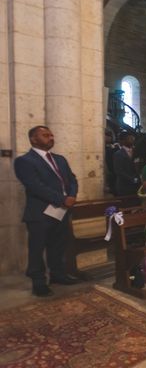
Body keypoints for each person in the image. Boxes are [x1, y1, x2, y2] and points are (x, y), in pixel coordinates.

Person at [14, 126, 80, 296]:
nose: (50, 137)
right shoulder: (25, 161)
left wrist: (72, 195)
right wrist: (62, 199)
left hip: (61, 211)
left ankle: (58, 275)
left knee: (58, 245)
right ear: (33, 139)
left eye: (51, 134)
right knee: (37, 248)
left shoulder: (60, 159)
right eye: (45, 135)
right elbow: (35, 186)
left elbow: (72, 179)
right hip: (40, 213)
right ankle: (38, 282)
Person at [113, 131, 140, 196]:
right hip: (124, 186)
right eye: (129, 138)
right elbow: (119, 171)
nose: (132, 140)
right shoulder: (118, 154)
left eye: (132, 138)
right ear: (123, 141)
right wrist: (133, 179)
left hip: (136, 185)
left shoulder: (136, 151)